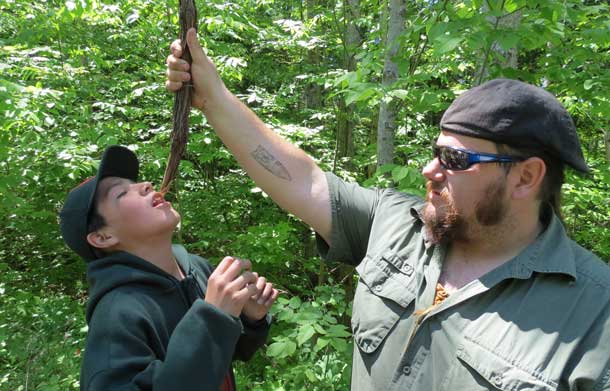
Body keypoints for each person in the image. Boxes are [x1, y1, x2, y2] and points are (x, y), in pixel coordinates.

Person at [165, 28, 610, 390]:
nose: (429, 170)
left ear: (526, 177)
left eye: (455, 160)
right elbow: (302, 179)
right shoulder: (396, 224)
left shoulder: (595, 316)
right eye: (436, 152)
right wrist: (213, 98)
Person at [59, 145, 279, 390]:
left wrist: (251, 319)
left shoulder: (197, 268)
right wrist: (214, 318)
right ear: (103, 237)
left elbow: (222, 354)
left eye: (134, 182)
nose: (146, 185)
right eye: (120, 193)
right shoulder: (117, 314)